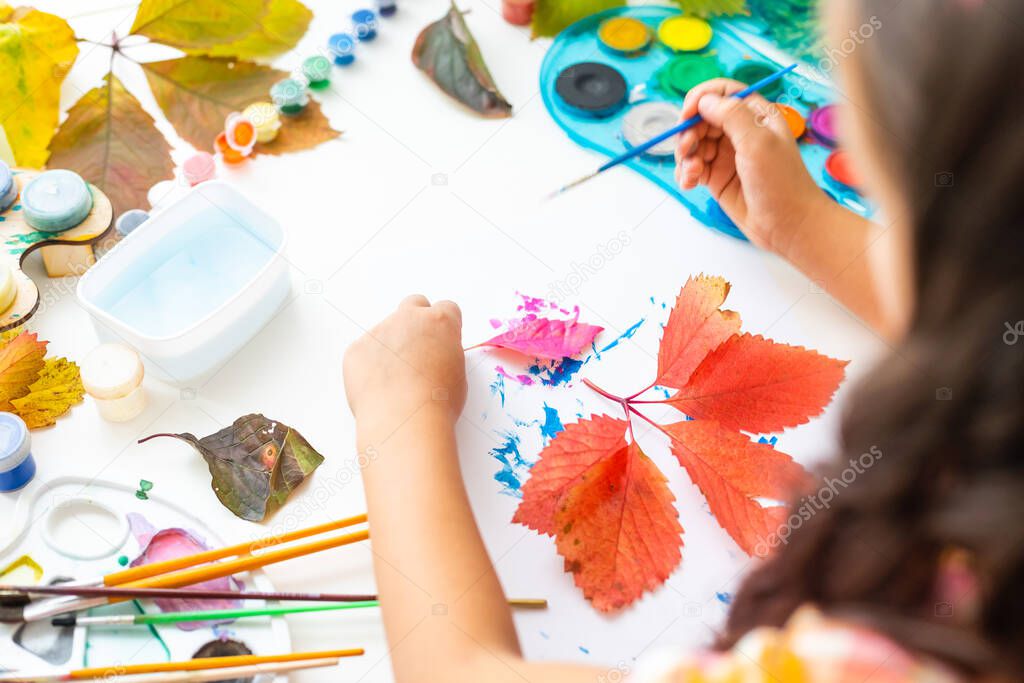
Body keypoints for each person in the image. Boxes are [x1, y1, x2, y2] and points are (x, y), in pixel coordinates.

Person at [342, 0, 1024, 679]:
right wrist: (804, 227)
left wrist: (399, 416)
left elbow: (459, 672)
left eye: (881, 194)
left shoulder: (880, 657)